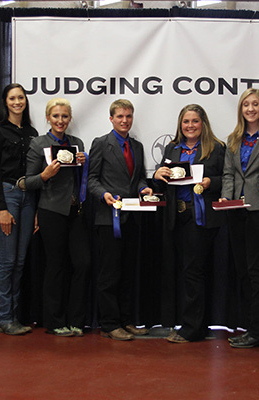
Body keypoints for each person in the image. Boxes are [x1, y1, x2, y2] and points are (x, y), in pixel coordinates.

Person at [153, 104, 225, 343]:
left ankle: (192, 328)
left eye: (195, 121)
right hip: (176, 216)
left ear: (203, 123)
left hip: (201, 217)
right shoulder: (172, 149)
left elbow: (226, 178)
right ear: (180, 124)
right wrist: (156, 177)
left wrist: (209, 182)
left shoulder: (216, 148)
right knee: (185, 272)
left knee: (193, 272)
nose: (190, 126)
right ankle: (193, 323)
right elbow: (162, 184)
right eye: (186, 122)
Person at [220, 88, 259, 349]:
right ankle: (249, 327)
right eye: (246, 104)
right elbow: (228, 174)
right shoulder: (233, 139)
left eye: (255, 104)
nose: (250, 109)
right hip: (235, 211)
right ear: (240, 109)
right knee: (243, 271)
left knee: (258, 273)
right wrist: (226, 196)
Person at [25, 98, 90, 337]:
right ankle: (54, 321)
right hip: (51, 211)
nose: (60, 121)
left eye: (64, 116)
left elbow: (81, 179)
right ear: (48, 118)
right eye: (55, 116)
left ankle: (76, 319)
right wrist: (45, 174)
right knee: (55, 266)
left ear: (70, 119)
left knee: (82, 263)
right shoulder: (38, 144)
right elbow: (27, 181)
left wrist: (84, 163)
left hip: (76, 212)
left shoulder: (77, 143)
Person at [88, 99, 152, 341]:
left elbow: (139, 180)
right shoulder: (101, 144)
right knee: (109, 274)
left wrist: (145, 189)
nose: (124, 120)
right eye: (120, 116)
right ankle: (109, 324)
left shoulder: (137, 146)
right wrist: (103, 194)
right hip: (108, 218)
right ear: (111, 118)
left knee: (127, 273)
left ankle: (126, 321)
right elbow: (91, 179)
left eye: (128, 116)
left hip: (133, 218)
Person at [0, 83, 37, 335]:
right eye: (12, 98)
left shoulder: (32, 132)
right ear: (5, 102)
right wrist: (2, 208)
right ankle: (3, 317)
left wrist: (37, 208)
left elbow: (37, 172)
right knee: (7, 260)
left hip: (29, 196)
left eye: (21, 98)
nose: (17, 102)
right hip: (7, 194)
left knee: (19, 261)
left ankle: (14, 316)